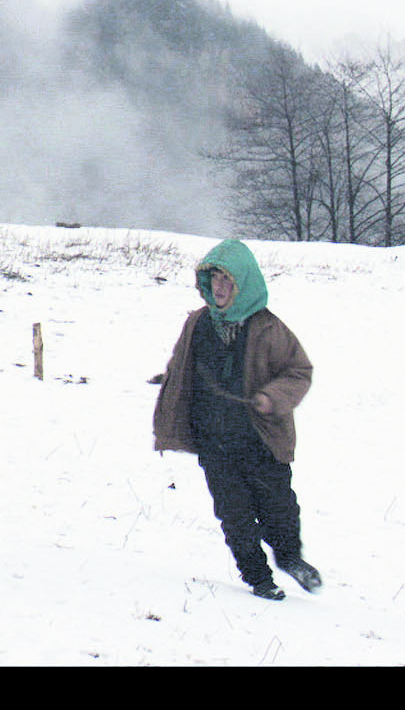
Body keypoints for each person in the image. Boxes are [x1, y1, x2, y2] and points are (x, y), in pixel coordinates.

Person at [152, 237, 321, 600]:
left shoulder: (269, 329)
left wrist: (270, 398)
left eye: (228, 281)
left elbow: (299, 372)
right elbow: (179, 366)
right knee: (235, 516)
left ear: (245, 284)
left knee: (280, 510)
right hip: (213, 441)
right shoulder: (197, 324)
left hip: (261, 440)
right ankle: (259, 578)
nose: (220, 288)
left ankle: (291, 558)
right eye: (214, 280)